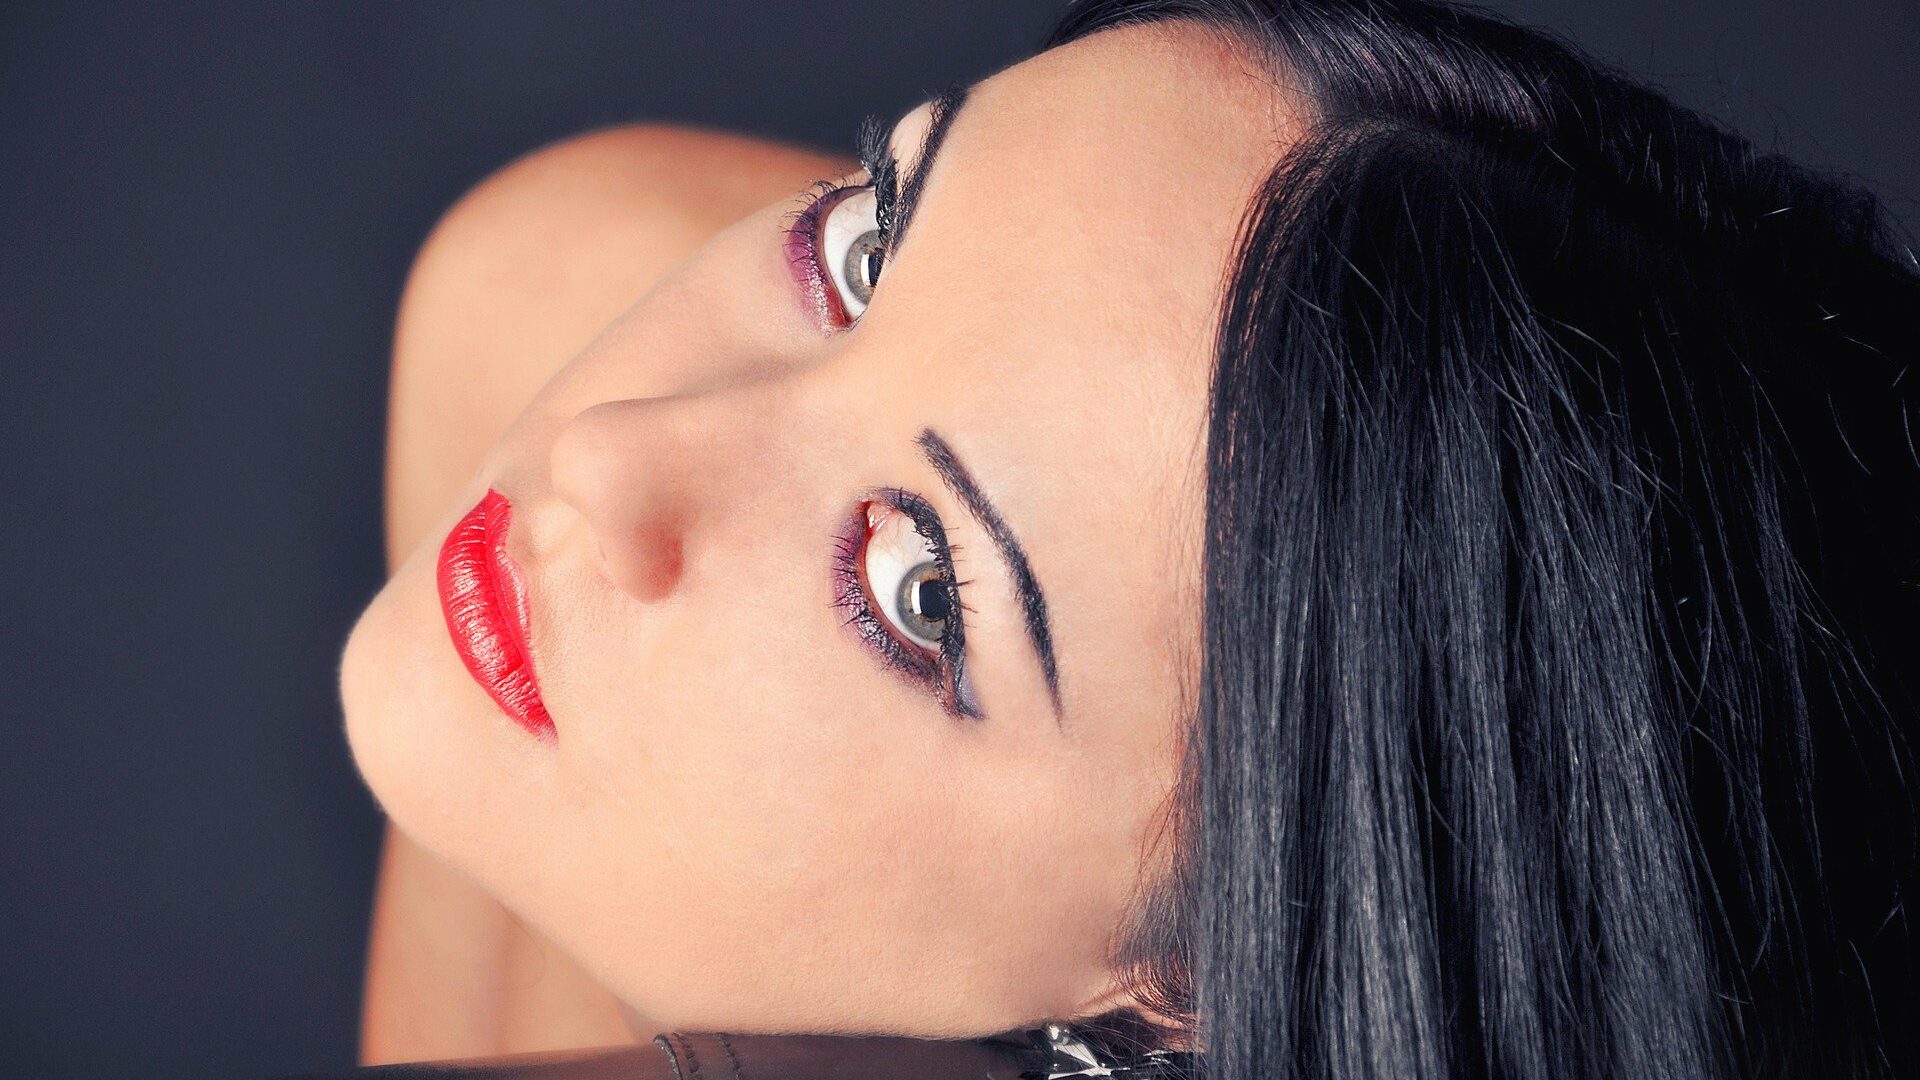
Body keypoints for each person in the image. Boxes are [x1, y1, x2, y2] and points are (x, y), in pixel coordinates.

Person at [337, 1, 1920, 1076]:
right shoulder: (557, 287)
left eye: (921, 590)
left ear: (1196, 1000)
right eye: (868, 246)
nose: (610, 462)